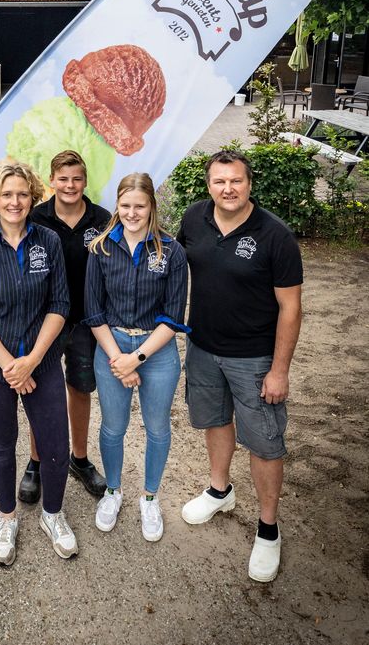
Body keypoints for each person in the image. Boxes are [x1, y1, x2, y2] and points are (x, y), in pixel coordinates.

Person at [176, 150, 303, 583]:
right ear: (208, 185)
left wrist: (279, 370)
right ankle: (219, 490)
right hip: (203, 347)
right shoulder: (195, 219)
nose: (228, 189)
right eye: (219, 181)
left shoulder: (275, 236)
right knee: (215, 422)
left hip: (254, 358)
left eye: (236, 181)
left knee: (265, 442)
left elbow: (291, 308)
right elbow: (171, 264)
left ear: (250, 184)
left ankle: (269, 528)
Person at [0, 162, 77, 567]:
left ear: (33, 197)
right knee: (0, 444)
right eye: (7, 194)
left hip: (40, 364)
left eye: (22, 194)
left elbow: (60, 305)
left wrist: (33, 361)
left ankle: (53, 516)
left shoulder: (49, 241)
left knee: (56, 445)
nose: (15, 201)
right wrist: (12, 365)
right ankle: (6, 518)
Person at [84, 172, 188, 542]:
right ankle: (113, 491)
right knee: (113, 427)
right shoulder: (100, 249)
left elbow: (174, 317)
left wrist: (137, 358)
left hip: (155, 350)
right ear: (117, 206)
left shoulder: (171, 252)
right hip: (111, 345)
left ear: (151, 207)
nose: (132, 212)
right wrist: (118, 358)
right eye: (125, 205)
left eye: (139, 206)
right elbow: (93, 311)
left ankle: (149, 497)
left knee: (157, 427)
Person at [18, 150, 110, 504]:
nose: (70, 186)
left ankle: (80, 458)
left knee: (80, 389)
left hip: (86, 321)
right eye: (63, 179)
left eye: (76, 179)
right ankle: (35, 461)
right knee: (39, 389)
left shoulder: (103, 219)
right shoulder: (36, 219)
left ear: (85, 182)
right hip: (43, 321)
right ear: (52, 181)